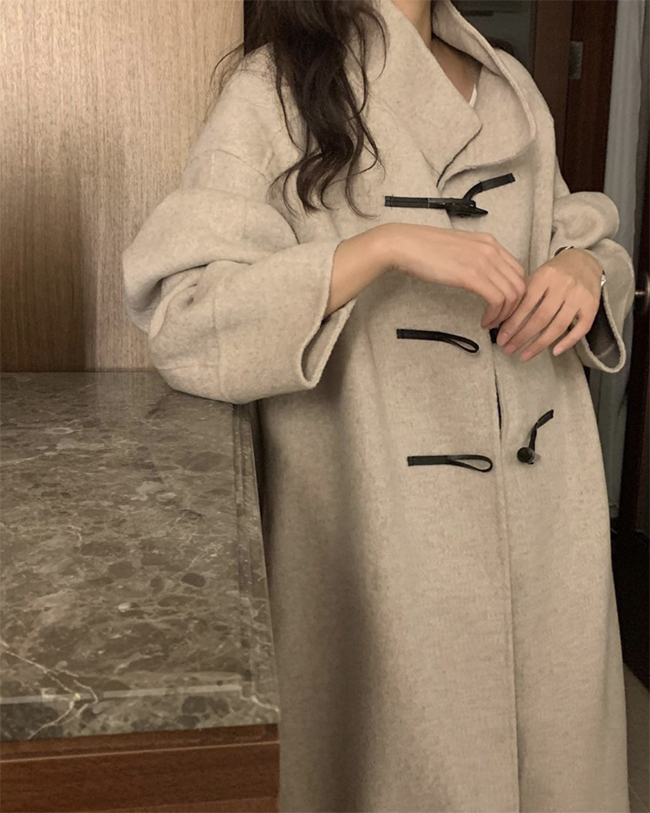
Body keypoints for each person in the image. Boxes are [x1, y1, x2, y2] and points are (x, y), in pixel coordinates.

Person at [122, 0, 636, 810]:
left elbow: (573, 232)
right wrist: (383, 246)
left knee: (558, 766)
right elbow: (187, 318)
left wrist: (586, 266)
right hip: (383, 532)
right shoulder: (277, 87)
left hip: (547, 518)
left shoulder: (508, 84)